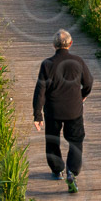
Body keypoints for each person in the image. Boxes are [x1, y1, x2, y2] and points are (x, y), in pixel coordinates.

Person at [32, 28, 93, 192]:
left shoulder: (47, 64)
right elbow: (88, 82)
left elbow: (40, 90)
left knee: (52, 140)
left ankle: (57, 169)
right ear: (71, 44)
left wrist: (38, 115)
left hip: (52, 110)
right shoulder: (78, 61)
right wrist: (82, 95)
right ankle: (72, 172)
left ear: (54, 45)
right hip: (74, 109)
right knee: (76, 140)